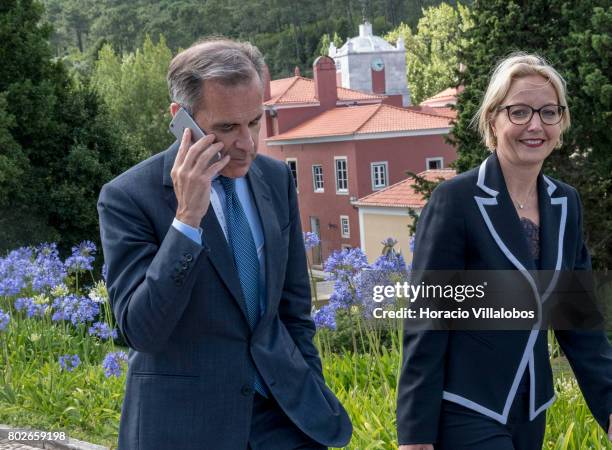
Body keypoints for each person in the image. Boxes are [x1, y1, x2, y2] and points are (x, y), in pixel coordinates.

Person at [98, 38, 352, 450]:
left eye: (255, 122)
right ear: (181, 119)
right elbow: (140, 331)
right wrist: (187, 221)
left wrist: (311, 393)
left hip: (285, 420)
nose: (248, 144)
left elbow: (293, 310)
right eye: (227, 128)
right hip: (185, 427)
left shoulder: (274, 179)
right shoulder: (128, 198)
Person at [395, 53, 612, 450]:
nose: (535, 125)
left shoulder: (567, 203)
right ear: (493, 119)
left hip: (531, 412)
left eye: (549, 112)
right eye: (519, 111)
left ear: (561, 123)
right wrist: (414, 436)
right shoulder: (456, 200)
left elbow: (579, 323)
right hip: (465, 409)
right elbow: (427, 320)